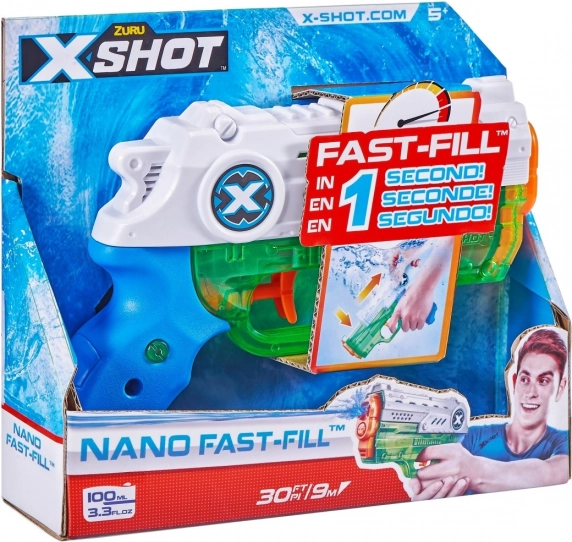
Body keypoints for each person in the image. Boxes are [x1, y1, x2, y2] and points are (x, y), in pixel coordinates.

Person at [410, 327, 569, 500]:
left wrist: (472, 469)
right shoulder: (472, 436)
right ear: (514, 382)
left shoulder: (564, 441)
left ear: (560, 387)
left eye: (543, 381)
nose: (531, 392)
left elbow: (552, 474)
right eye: (524, 379)